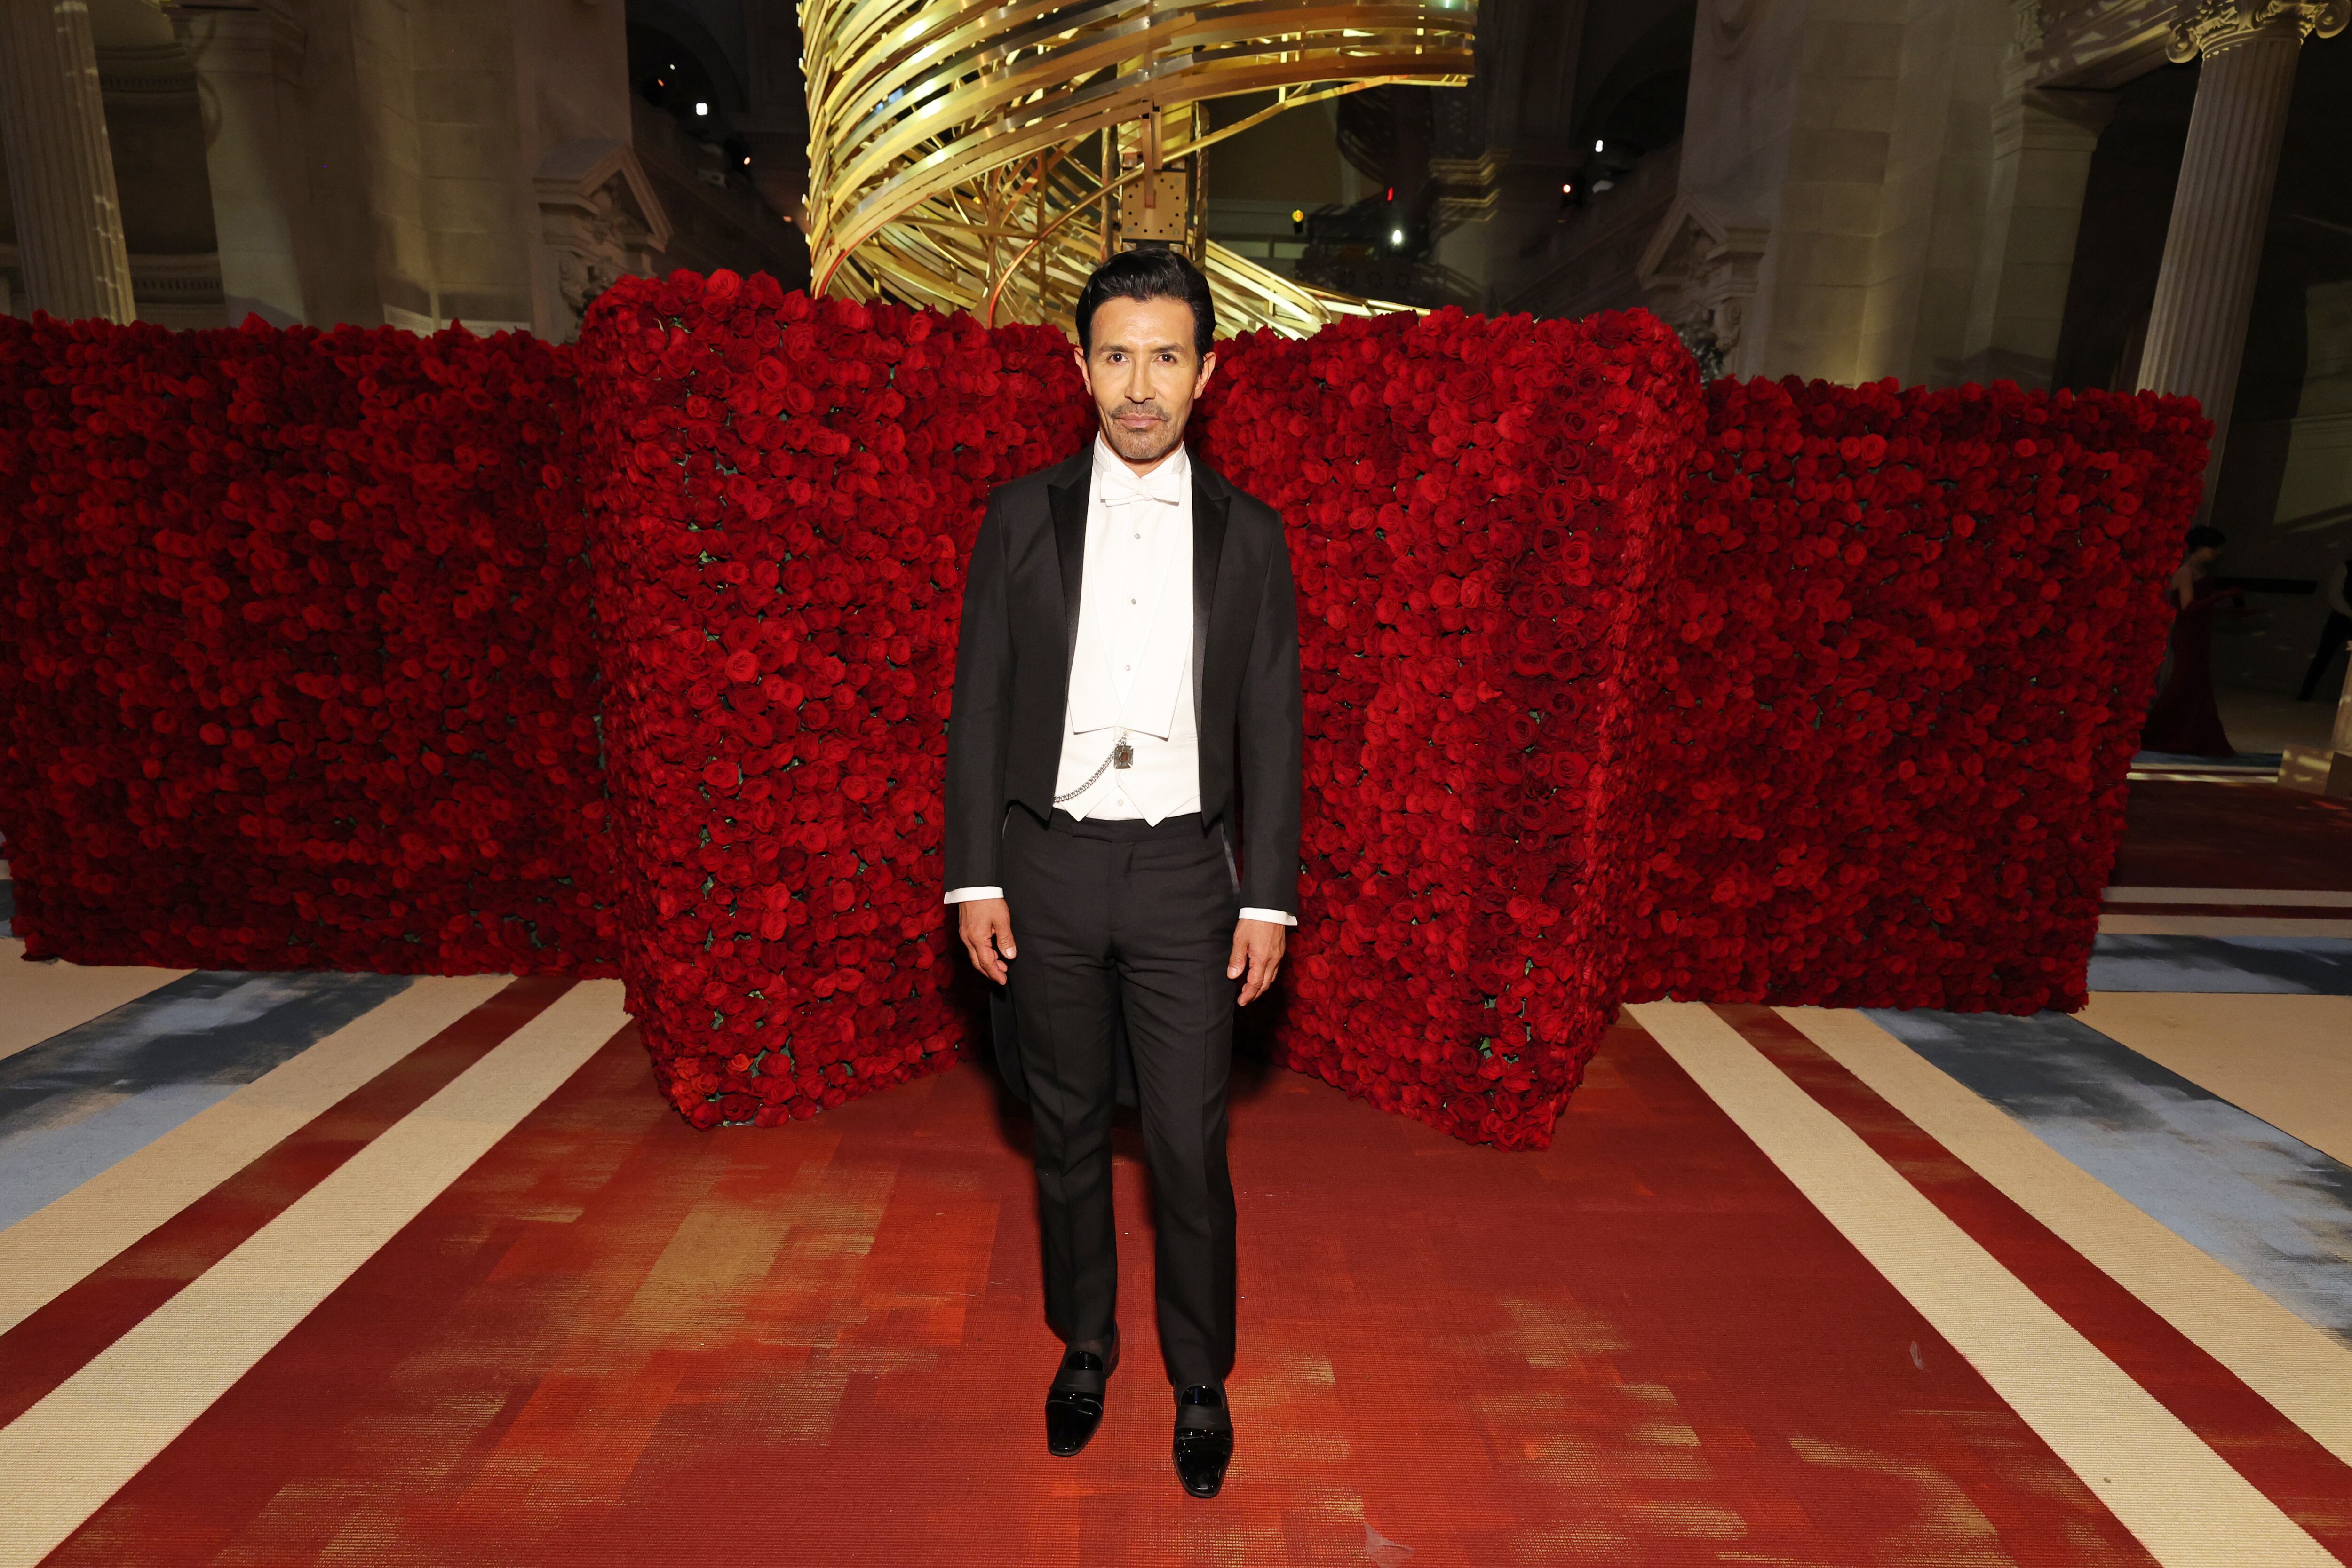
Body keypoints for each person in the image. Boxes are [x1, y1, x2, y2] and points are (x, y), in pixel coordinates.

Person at [941, 247, 1303, 1499]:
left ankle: (1200, 1377)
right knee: (1066, 1128)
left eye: (1164, 357)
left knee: (1191, 1143)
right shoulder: (1018, 518)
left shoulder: (1251, 537)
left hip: (1186, 876)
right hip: (1043, 864)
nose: (1138, 385)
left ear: (1207, 372)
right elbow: (981, 703)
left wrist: (1267, 895)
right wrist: (973, 876)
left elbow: (1273, 725)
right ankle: (1085, 1344)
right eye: (1114, 356)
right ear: (1080, 366)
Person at [2140, 525, 2242, 757]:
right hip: (2188, 634)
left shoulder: (2200, 572)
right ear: (2201, 547)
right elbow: (2188, 607)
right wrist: (2223, 595)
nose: (2218, 552)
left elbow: (2201, 608)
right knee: (2184, 682)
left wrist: (2227, 609)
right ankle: (2164, 732)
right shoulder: (2186, 572)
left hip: (2199, 633)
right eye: (2214, 547)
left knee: (2196, 683)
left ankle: (2193, 734)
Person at [2297, 549, 2352, 704]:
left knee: (2324, 656)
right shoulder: (2345, 567)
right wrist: (2350, 613)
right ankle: (2306, 693)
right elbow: (2335, 596)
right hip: (2341, 618)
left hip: (2343, 615)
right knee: (2324, 655)